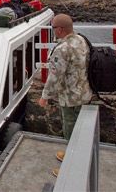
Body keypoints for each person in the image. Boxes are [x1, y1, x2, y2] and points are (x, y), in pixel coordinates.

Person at [38, 14, 93, 177]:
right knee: (80, 132)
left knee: (72, 134)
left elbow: (55, 76)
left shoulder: (62, 49)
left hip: (70, 99)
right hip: (84, 93)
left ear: (59, 29)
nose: (53, 31)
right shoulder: (81, 40)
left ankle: (72, 171)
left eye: (53, 28)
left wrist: (44, 96)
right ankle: (71, 156)